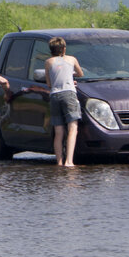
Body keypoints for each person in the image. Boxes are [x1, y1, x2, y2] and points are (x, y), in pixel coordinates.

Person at [45, 37, 84, 166]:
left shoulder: (48, 62)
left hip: (55, 95)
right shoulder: (71, 59)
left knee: (58, 131)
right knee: (73, 128)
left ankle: (59, 161)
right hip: (69, 94)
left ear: (51, 50)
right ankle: (69, 161)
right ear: (64, 49)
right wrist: (71, 77)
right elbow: (80, 73)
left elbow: (49, 83)